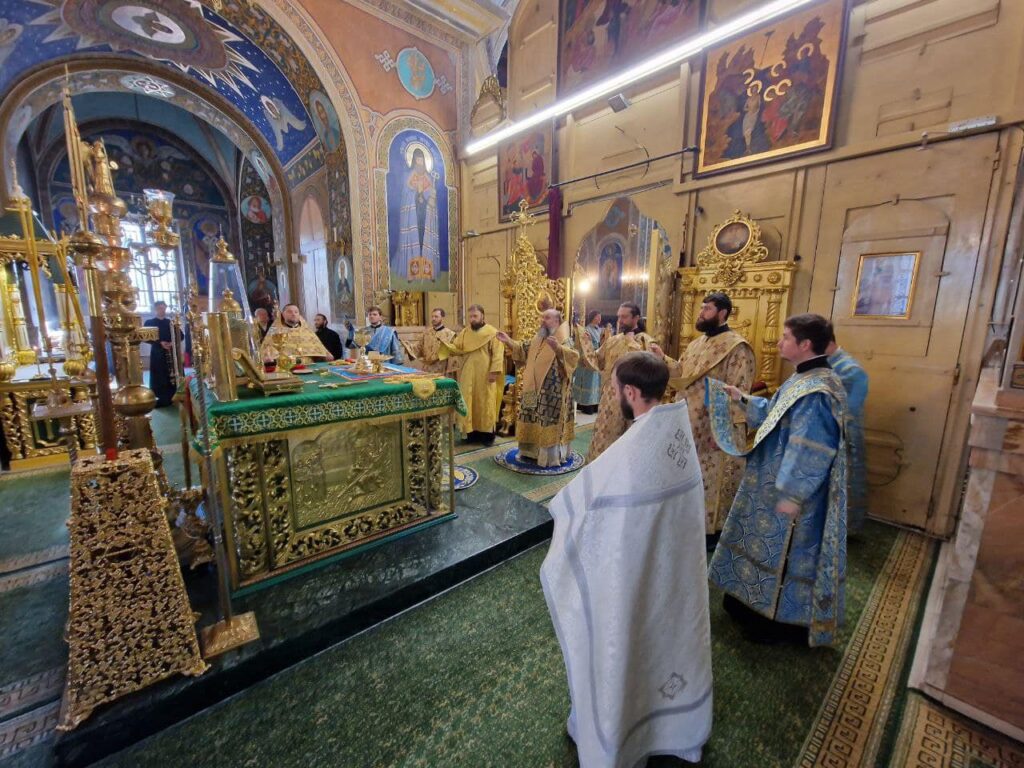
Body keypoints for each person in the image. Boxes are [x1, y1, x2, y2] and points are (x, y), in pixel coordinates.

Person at [542, 351, 712, 767]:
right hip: (673, 579)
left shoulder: (634, 453)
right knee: (666, 641)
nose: (613, 394)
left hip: (637, 578)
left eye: (615, 388)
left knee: (626, 640)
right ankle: (673, 729)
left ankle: (622, 735)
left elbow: (580, 507)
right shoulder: (676, 434)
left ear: (631, 392)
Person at [707, 313, 849, 647]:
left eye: (786, 337)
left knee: (783, 553)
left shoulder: (817, 391)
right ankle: (749, 605)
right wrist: (741, 399)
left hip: (791, 494)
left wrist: (792, 494)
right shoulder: (803, 377)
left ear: (805, 344)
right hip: (770, 481)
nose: (779, 342)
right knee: (760, 543)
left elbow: (810, 448)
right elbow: (774, 411)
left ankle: (776, 624)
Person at [651, 291, 756, 543]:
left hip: (713, 427)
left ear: (722, 313)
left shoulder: (737, 347)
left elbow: (738, 391)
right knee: (685, 472)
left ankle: (711, 531)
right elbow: (682, 373)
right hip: (687, 421)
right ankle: (684, 521)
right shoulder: (696, 344)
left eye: (707, 309)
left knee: (711, 479)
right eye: (702, 308)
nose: (701, 313)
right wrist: (662, 359)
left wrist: (722, 431)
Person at [496, 309, 579, 467]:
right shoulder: (538, 338)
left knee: (546, 420)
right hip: (531, 389)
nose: (542, 320)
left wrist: (558, 348)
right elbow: (522, 349)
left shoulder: (564, 339)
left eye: (547, 318)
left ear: (556, 321)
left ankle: (548, 457)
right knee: (530, 416)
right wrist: (508, 341)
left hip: (551, 394)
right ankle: (529, 452)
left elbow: (574, 358)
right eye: (542, 317)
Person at [579, 301, 657, 461]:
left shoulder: (645, 341)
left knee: (626, 445)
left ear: (636, 318)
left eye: (624, 317)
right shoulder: (612, 340)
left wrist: (630, 341)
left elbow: (651, 368)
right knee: (603, 440)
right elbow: (596, 361)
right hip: (608, 400)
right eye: (619, 317)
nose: (620, 321)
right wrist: (585, 342)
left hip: (632, 402)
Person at [439, 304, 503, 444]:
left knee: (485, 402)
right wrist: (445, 345)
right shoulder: (465, 332)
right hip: (467, 372)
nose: (472, 319)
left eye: (475, 316)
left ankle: (487, 436)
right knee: (468, 401)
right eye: (470, 317)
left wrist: (494, 372)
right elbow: (456, 347)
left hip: (485, 374)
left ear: (482, 316)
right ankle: (470, 433)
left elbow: (498, 354)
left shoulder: (492, 332)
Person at [828, 330, 869, 532]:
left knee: (845, 482)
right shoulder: (826, 364)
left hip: (845, 435)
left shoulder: (852, 371)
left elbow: (849, 411)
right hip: (828, 434)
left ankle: (846, 528)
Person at [259, 303, 332, 363]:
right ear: (283, 314)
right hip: (284, 367)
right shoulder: (275, 331)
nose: (293, 314)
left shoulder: (306, 331)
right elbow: (267, 351)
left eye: (296, 312)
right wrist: (267, 357)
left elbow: (318, 347)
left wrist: (326, 354)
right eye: (289, 312)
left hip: (308, 368)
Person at [143, 301, 176, 407]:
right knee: (159, 375)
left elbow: (180, 335)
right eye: (160, 308)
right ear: (155, 309)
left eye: (164, 308)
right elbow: (145, 338)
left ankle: (174, 397)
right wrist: (160, 343)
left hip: (171, 353)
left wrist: (172, 342)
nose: (162, 310)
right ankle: (161, 400)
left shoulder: (170, 322)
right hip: (157, 353)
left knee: (172, 375)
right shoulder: (149, 322)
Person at [410, 307, 458, 375]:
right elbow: (418, 347)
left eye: (436, 316)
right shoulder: (426, 333)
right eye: (432, 316)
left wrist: (449, 370)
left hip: (442, 370)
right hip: (427, 369)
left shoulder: (449, 334)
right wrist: (409, 347)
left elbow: (453, 355)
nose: (433, 319)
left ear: (442, 318)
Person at [572, 310, 602, 414]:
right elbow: (585, 345)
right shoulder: (587, 330)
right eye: (598, 316)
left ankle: (595, 405)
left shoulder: (600, 330)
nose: (600, 318)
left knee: (596, 383)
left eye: (600, 316)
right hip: (588, 359)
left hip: (597, 358)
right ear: (593, 317)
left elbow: (600, 343)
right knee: (588, 383)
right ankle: (586, 406)